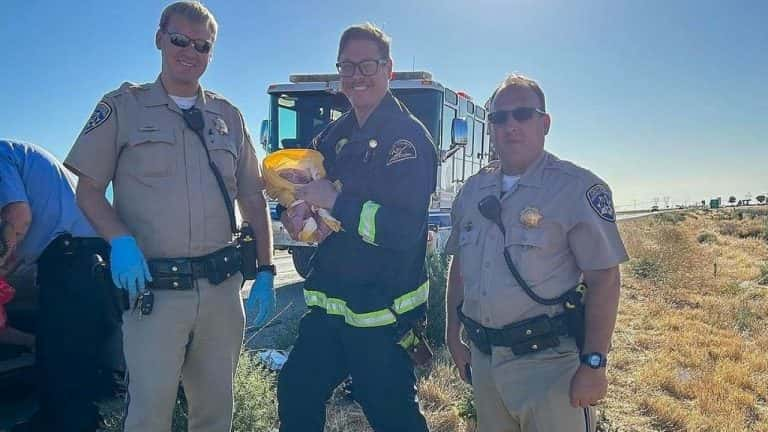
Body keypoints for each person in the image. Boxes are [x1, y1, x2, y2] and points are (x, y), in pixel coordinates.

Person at [64, 2, 274, 431]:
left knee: (216, 413)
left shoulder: (228, 117)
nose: (189, 51)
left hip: (221, 292)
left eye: (202, 45)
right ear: (160, 38)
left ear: (210, 53)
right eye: (179, 39)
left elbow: (252, 197)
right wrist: (120, 241)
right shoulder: (123, 107)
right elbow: (88, 191)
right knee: (148, 415)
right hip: (154, 294)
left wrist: (268, 267)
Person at [444, 74, 629, 432]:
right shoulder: (473, 190)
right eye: (499, 117)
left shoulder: (575, 188)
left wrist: (594, 363)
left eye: (523, 114)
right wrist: (453, 335)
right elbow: (460, 267)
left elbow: (604, 279)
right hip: (484, 362)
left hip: (549, 368)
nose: (510, 125)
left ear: (544, 123)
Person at [276, 23, 437, 432]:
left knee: (393, 417)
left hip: (382, 314)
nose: (357, 75)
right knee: (295, 391)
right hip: (329, 306)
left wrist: (335, 202)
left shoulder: (409, 141)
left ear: (388, 69)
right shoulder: (333, 136)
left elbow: (401, 230)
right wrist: (299, 219)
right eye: (347, 66)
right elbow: (314, 206)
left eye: (367, 64)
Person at [0, 139, 117, 431]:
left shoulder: (1, 154)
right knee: (59, 350)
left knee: (67, 358)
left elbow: (18, 218)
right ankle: (52, 419)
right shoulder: (20, 154)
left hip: (71, 258)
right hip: (79, 257)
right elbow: (21, 242)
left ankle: (72, 423)